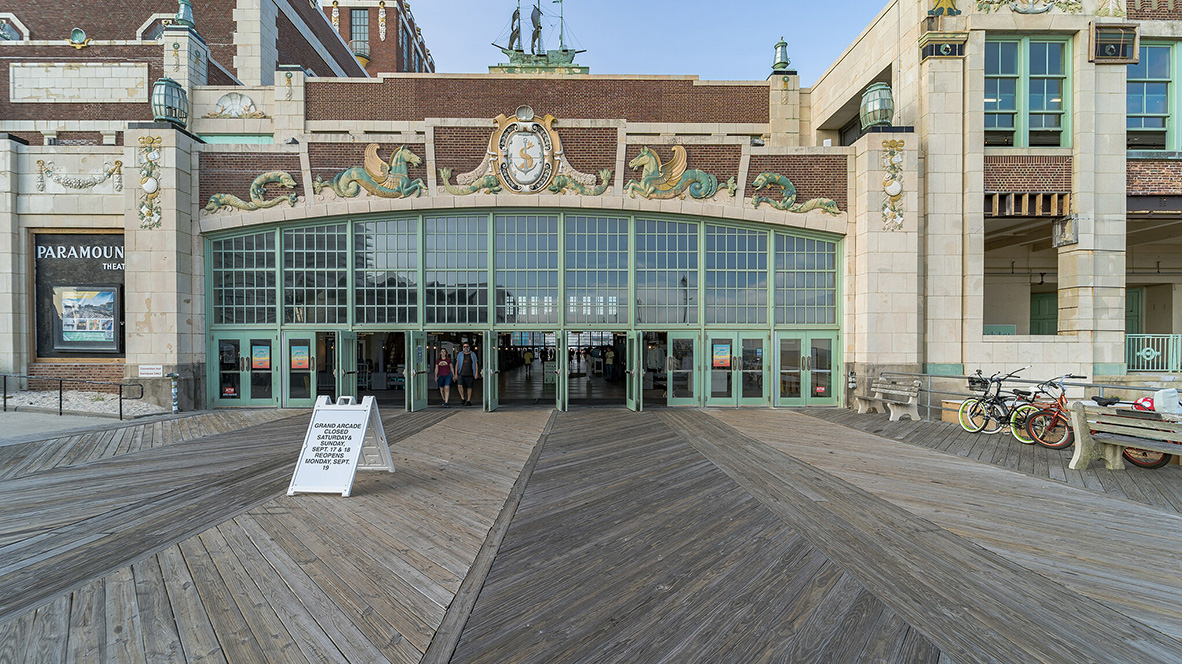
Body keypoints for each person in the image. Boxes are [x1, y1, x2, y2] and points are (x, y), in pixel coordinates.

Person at [455, 341, 480, 406]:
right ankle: (462, 398)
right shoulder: (460, 354)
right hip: (461, 373)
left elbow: (476, 363)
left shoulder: (473, 354)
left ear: (469, 347)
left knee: (469, 387)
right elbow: (457, 363)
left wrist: (476, 373)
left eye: (467, 346)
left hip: (470, 373)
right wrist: (455, 373)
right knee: (459, 385)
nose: (465, 348)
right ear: (462, 347)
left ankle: (468, 400)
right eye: (464, 347)